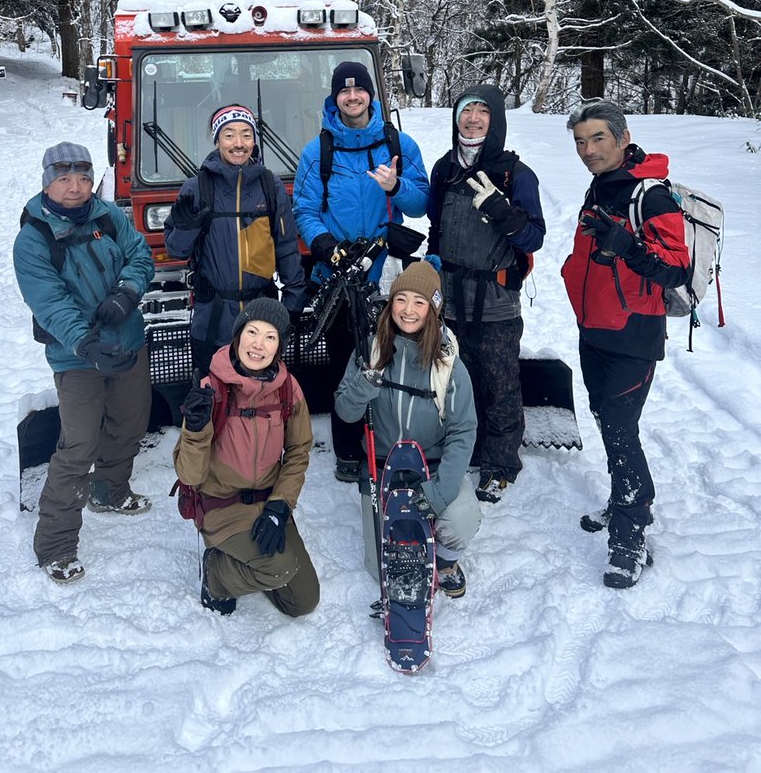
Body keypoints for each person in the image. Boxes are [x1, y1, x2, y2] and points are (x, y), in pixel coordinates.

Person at [13, 142, 155, 585]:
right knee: (78, 446)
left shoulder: (108, 216)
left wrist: (127, 293)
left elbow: (140, 255)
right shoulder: (33, 238)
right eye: (64, 178)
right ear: (47, 182)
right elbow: (48, 301)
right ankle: (55, 544)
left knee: (129, 424)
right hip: (77, 359)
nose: (75, 188)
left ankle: (110, 490)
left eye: (83, 178)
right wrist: (85, 342)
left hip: (128, 341)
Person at [563, 100, 689, 589]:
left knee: (619, 430)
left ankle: (631, 534)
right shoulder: (602, 185)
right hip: (595, 327)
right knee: (607, 418)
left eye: (597, 139)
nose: (588, 150)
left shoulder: (651, 194)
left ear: (621, 136)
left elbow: (675, 266)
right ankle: (624, 497)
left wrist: (628, 244)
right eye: (580, 141)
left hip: (632, 334)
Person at [293, 60, 429, 482]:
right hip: (338, 273)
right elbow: (305, 209)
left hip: (385, 270)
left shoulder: (398, 143)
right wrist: (326, 247)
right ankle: (348, 448)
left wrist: (395, 187)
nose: (352, 97)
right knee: (342, 363)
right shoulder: (319, 151)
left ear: (370, 94)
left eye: (359, 90)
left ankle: (391, 443)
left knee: (391, 355)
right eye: (344, 91)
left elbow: (421, 203)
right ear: (334, 98)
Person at [334, 258, 481, 597]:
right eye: (401, 300)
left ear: (433, 310)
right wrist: (363, 387)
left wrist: (441, 491)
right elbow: (344, 410)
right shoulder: (370, 350)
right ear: (390, 305)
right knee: (378, 570)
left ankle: (445, 560)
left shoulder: (449, 365)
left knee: (461, 521)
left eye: (420, 302)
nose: (409, 310)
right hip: (381, 466)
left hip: (431, 466)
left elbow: (462, 432)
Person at [427, 86, 545, 504]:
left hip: (495, 299)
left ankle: (500, 463)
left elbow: (534, 237)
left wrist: (501, 210)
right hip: (452, 298)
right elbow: (436, 228)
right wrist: (431, 264)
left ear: (495, 119)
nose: (473, 119)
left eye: (482, 112)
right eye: (466, 111)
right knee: (456, 380)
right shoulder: (444, 169)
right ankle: (467, 448)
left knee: (500, 383)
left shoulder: (516, 174)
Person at [173, 298, 320, 617]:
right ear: (238, 336)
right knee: (278, 569)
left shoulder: (287, 389)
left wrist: (280, 505)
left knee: (303, 601)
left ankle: (252, 563)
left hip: (268, 504)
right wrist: (195, 431)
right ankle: (216, 575)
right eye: (252, 332)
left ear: (279, 345)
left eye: (271, 337)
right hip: (222, 506)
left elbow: (298, 450)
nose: (259, 344)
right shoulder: (210, 388)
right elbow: (190, 475)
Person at [164, 104, 306, 378]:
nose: (238, 143)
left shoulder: (270, 185)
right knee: (213, 397)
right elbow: (176, 250)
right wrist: (186, 227)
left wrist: (293, 301)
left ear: (255, 139)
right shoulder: (197, 187)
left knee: (261, 397)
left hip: (260, 315)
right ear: (217, 140)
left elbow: (287, 246)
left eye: (246, 134)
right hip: (212, 317)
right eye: (229, 135)